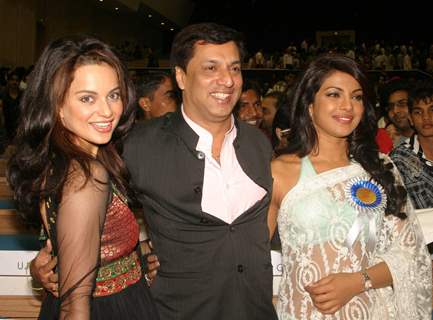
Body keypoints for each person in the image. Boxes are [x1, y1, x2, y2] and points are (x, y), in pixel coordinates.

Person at [31, 23, 277, 320]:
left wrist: (140, 251)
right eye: (211, 68)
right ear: (181, 77)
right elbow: (71, 206)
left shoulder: (260, 146)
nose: (226, 80)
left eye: (235, 68)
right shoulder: (134, 147)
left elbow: (111, 224)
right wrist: (46, 262)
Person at [268, 54, 431, 319]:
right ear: (309, 104)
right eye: (334, 94)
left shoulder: (379, 168)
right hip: (303, 311)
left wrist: (357, 281)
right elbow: (249, 259)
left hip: (371, 309)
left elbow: (412, 257)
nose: (347, 106)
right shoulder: (279, 172)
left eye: (356, 97)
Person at [7, 36, 160, 319]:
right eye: (87, 98)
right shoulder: (86, 176)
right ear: (56, 105)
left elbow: (67, 244)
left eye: (113, 95)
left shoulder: (78, 156)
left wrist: (135, 260)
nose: (107, 111)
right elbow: (75, 307)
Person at [390, 80, 433, 209]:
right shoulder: (400, 158)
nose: (426, 117)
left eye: (432, 109)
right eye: (418, 112)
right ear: (411, 119)